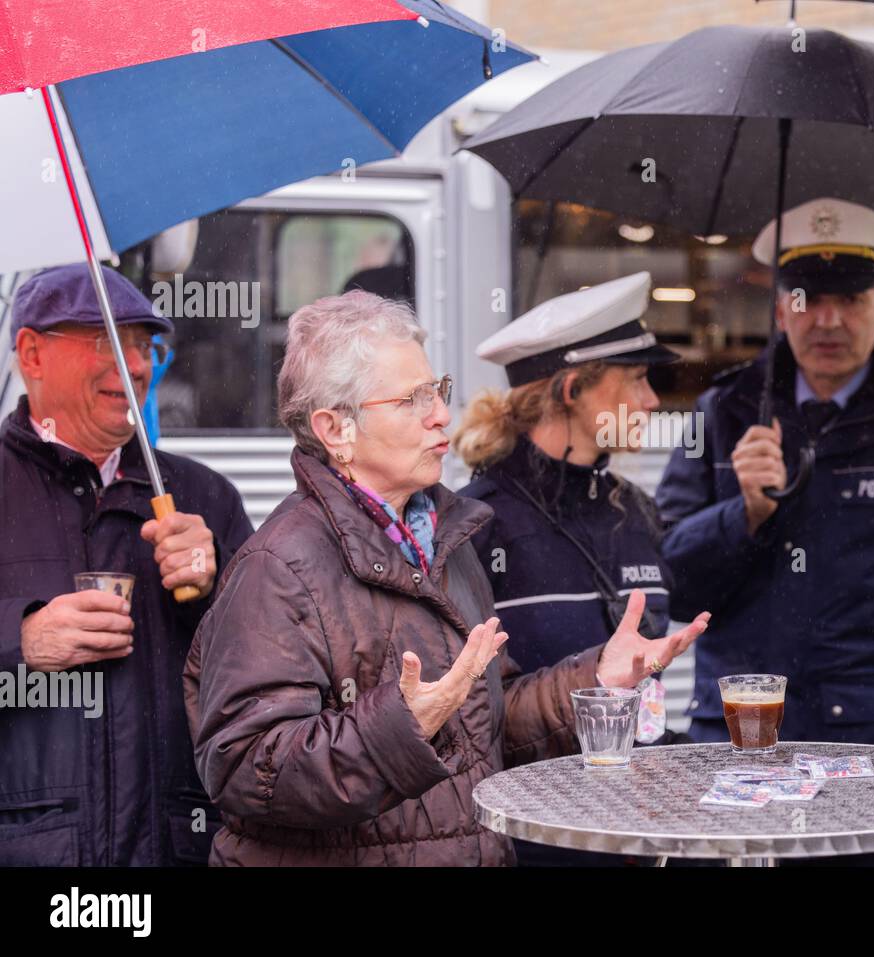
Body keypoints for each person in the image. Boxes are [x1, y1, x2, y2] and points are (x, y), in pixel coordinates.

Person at [183, 290, 708, 866]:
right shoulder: (278, 568)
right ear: (336, 430)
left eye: (438, 391)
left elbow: (491, 720)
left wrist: (595, 680)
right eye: (412, 399)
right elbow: (245, 771)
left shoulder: (444, 541)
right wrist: (401, 729)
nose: (441, 415)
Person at [656, 198, 874, 756]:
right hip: (743, 732)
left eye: (851, 300)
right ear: (781, 313)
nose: (828, 320)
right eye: (809, 301)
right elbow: (671, 587)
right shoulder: (721, 413)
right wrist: (744, 516)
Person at [0, 264, 253, 866]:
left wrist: (216, 589)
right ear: (32, 355)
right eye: (105, 342)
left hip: (176, 847)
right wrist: (21, 639)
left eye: (143, 345)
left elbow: (273, 672)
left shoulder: (204, 495)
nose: (136, 366)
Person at [456, 272, 681, 866]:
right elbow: (474, 720)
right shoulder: (476, 525)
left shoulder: (637, 510)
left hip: (641, 838)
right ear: (574, 389)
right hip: (538, 845)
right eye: (636, 379)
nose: (653, 401)